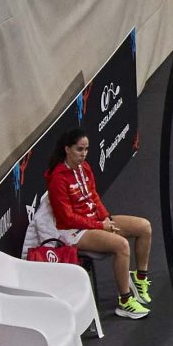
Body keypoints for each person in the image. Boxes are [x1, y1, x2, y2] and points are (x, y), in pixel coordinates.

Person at [27, 126, 151, 319]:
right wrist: (100, 226)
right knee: (122, 245)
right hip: (73, 231)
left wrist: (105, 217)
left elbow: (93, 196)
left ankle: (140, 278)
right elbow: (66, 218)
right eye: (79, 149)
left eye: (86, 149)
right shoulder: (58, 178)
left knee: (144, 227)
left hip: (94, 221)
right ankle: (125, 302)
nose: (83, 154)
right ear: (67, 149)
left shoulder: (85, 168)